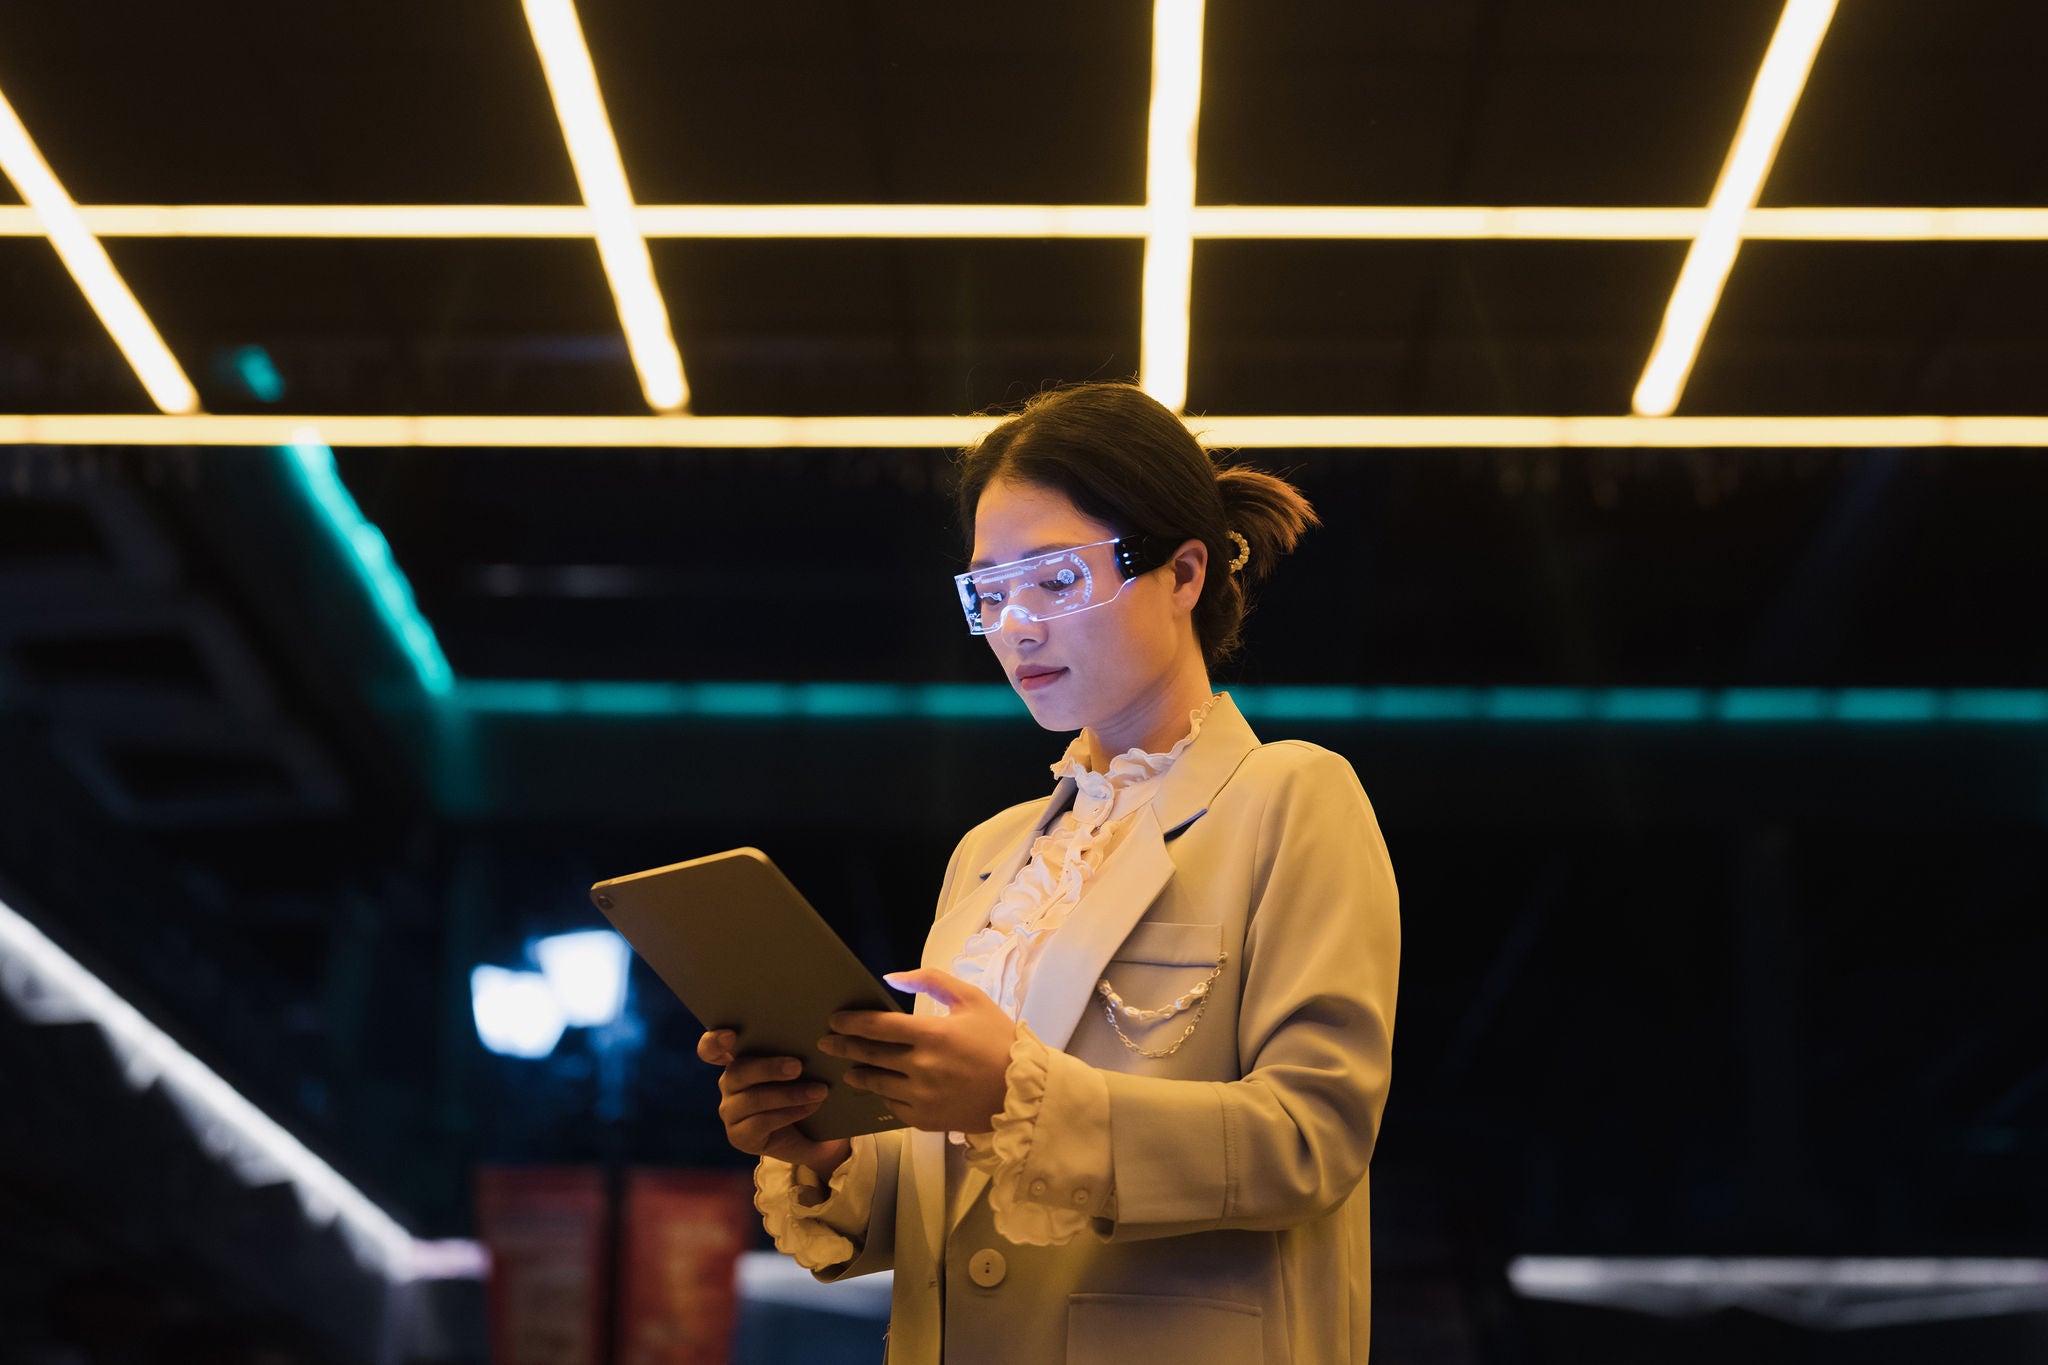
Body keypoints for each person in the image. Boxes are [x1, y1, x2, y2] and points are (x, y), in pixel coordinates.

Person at [697, 381, 1400, 1364]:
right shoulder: (988, 855)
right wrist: (825, 1148)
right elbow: (959, 1195)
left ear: (1183, 571)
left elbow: (1311, 1137)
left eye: (1056, 581)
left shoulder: (1290, 798)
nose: (1014, 626)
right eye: (989, 591)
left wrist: (1013, 1098)